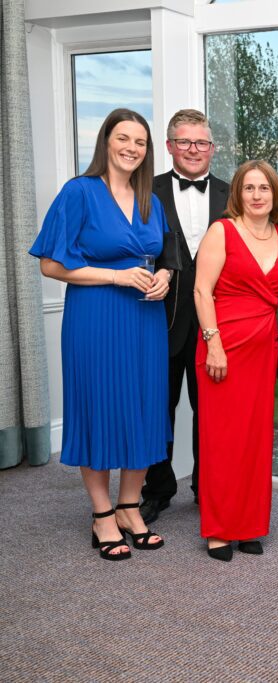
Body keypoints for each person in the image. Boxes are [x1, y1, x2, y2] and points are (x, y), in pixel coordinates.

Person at [29, 108, 172, 560]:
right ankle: (102, 514)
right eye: (123, 138)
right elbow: (50, 265)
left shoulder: (150, 200)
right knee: (99, 407)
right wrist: (115, 276)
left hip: (145, 319)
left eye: (140, 142)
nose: (132, 148)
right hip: (96, 317)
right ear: (106, 141)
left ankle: (129, 507)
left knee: (144, 407)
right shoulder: (79, 192)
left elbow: (161, 255)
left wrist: (164, 275)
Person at [194, 160, 278, 562]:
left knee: (255, 439)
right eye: (249, 188)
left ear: (275, 194)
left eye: (264, 188)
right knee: (222, 441)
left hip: (262, 351)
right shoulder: (223, 231)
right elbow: (202, 291)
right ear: (238, 193)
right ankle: (219, 529)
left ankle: (249, 525)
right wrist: (213, 344)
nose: (256, 195)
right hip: (224, 347)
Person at [141, 108, 229, 525]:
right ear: (170, 146)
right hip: (159, 319)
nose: (194, 149)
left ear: (212, 148)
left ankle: (207, 488)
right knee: (158, 408)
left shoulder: (232, 194)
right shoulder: (146, 190)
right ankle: (156, 489)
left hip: (217, 323)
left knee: (212, 411)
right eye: (185, 142)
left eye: (202, 142)